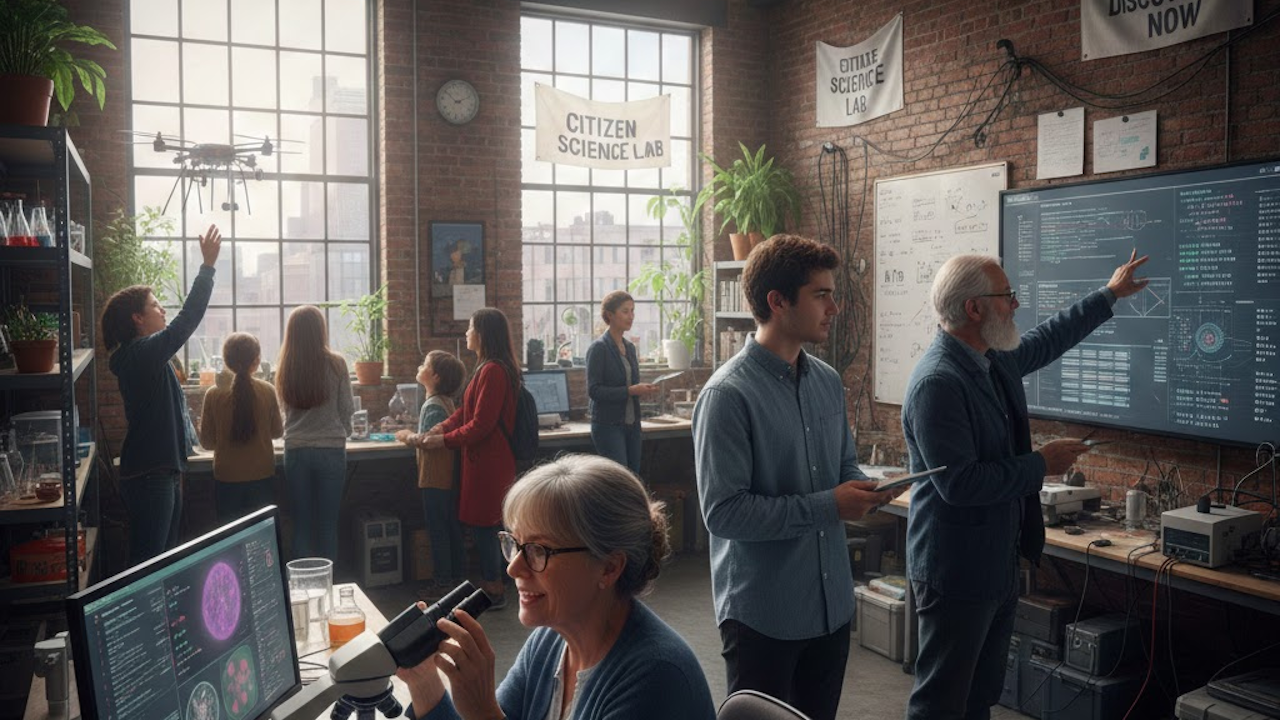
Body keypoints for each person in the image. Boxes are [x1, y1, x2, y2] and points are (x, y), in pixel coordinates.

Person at [902, 251, 1149, 720]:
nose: (1016, 304)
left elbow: (1048, 339)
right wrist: (1041, 464)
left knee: (981, 693)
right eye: (1007, 296)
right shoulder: (939, 382)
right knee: (941, 700)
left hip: (995, 563)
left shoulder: (990, 359)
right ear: (974, 309)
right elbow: (960, 484)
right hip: (955, 571)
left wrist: (1109, 294)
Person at [692, 234, 898, 720]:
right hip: (764, 614)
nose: (835, 306)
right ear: (777, 302)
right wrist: (831, 505)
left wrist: (866, 489)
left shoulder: (827, 381)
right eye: (821, 294)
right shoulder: (727, 397)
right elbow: (724, 513)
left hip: (829, 606)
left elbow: (843, 465)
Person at [395, 454, 716, 720]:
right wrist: (424, 681)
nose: (513, 567)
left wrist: (482, 713)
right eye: (515, 544)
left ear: (609, 567)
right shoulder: (549, 642)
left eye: (539, 550)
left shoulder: (657, 679)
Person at [102, 224, 221, 565]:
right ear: (138, 318)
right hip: (151, 476)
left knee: (162, 562)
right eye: (155, 306)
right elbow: (185, 322)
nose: (162, 310)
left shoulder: (141, 355)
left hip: (161, 471)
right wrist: (208, 268)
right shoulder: (140, 354)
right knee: (150, 564)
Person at [421, 308, 518, 606]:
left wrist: (444, 440)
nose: (466, 333)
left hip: (489, 462)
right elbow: (466, 410)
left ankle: (495, 588)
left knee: (486, 526)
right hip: (482, 461)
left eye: (471, 328)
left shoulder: (493, 371)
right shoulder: (485, 367)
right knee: (482, 525)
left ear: (483, 334)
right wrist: (444, 426)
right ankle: (492, 580)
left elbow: (481, 424)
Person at [275, 305, 353, 560]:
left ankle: (301, 592)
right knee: (327, 525)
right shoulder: (337, 363)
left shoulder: (285, 365)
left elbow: (284, 410)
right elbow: (347, 408)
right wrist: (345, 431)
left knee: (302, 524)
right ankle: (328, 589)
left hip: (296, 449)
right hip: (331, 450)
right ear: (321, 330)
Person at [397, 350, 468, 595]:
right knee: (450, 528)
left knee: (438, 530)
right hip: (448, 478)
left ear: (435, 377)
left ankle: (443, 582)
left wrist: (405, 436)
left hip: (435, 478)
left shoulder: (432, 405)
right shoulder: (447, 402)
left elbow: (426, 440)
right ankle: (458, 578)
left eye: (424, 364)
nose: (420, 366)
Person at [198, 332, 283, 525]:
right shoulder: (267, 390)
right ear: (257, 360)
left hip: (227, 477)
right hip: (262, 474)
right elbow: (278, 432)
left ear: (226, 361)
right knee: (262, 536)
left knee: (230, 537)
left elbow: (207, 443)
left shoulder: (213, 395)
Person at [585, 291, 658, 473]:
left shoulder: (630, 348)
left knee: (634, 478)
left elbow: (631, 385)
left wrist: (641, 390)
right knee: (620, 481)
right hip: (608, 426)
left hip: (632, 425)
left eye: (633, 311)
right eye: (625, 311)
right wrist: (630, 391)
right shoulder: (598, 348)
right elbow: (594, 391)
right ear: (610, 315)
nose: (631, 316)